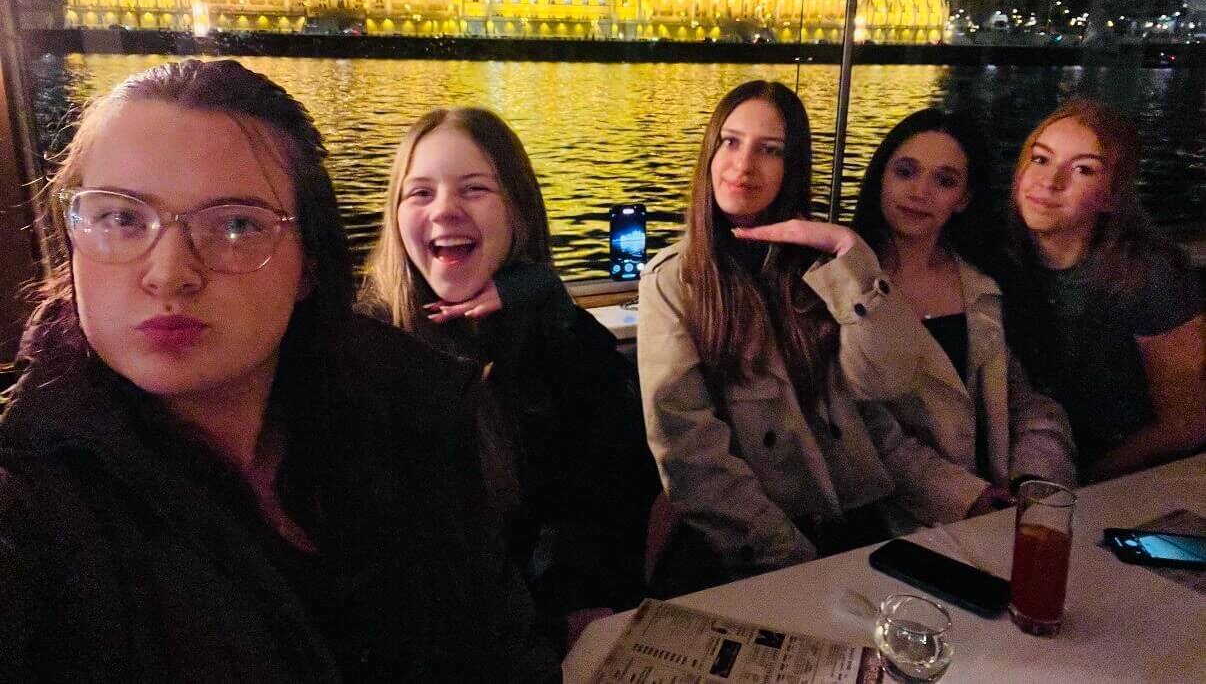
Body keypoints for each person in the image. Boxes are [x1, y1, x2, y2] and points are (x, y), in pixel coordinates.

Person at [0, 60, 557, 682]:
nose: (169, 273)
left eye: (236, 224)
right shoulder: (30, 503)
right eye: (121, 218)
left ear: (310, 265)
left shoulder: (411, 423)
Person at [359, 107, 658, 653]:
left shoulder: (559, 337)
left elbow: (611, 486)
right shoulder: (363, 355)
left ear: (518, 208)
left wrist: (547, 304)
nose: (445, 208)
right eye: (419, 193)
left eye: (473, 189)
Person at [637, 80, 935, 590]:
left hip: (863, 523)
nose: (743, 165)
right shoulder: (675, 281)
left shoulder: (821, 266)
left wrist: (848, 249)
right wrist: (797, 560)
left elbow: (884, 392)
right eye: (730, 142)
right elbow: (692, 456)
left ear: (791, 166)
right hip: (765, 547)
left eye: (769, 150)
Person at [851, 109, 1075, 529]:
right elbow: (864, 426)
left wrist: (1034, 485)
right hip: (892, 524)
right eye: (905, 172)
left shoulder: (990, 283)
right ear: (881, 177)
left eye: (945, 180)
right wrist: (965, 498)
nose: (920, 192)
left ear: (965, 198)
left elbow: (1031, 401)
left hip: (1007, 511)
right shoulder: (846, 288)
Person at [1006, 98, 1204, 483]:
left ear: (1112, 195)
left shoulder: (1150, 274)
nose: (1050, 181)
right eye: (1041, 159)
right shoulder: (1003, 259)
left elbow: (1187, 424)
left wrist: (1086, 480)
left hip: (1136, 478)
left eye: (1082, 170)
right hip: (1039, 457)